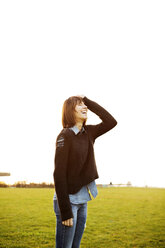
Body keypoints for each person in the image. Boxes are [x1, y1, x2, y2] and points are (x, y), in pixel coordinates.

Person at [53, 95, 117, 248]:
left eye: (84, 105)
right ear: (70, 110)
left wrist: (87, 101)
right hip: (68, 201)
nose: (85, 107)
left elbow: (111, 121)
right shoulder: (65, 135)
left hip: (83, 199)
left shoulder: (89, 132)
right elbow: (59, 174)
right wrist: (66, 211)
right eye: (79, 105)